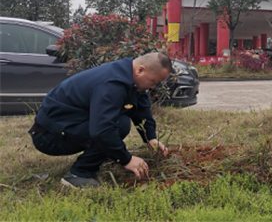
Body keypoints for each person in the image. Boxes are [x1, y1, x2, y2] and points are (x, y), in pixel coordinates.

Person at [29, 52, 173, 188]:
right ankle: (78, 174)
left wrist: (150, 137)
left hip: (67, 124)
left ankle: (101, 155)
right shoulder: (112, 84)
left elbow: (141, 107)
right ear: (140, 70)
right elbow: (102, 130)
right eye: (153, 81)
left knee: (117, 124)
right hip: (48, 136)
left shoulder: (126, 73)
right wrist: (126, 159)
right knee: (117, 126)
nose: (153, 86)